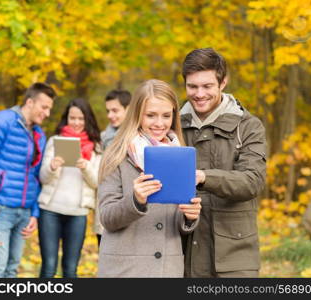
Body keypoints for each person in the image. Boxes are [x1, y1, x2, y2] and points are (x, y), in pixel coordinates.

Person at [97, 79, 201, 278]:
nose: (159, 123)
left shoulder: (180, 155)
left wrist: (190, 216)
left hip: (167, 269)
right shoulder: (116, 154)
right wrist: (135, 200)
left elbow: (175, 221)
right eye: (151, 115)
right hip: (124, 271)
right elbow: (107, 218)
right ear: (137, 114)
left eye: (166, 116)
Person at [180, 48, 267, 278]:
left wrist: (205, 177)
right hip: (184, 252)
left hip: (235, 256)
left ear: (223, 82)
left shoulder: (248, 126)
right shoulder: (172, 124)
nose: (199, 94)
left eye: (207, 86)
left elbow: (253, 181)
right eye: (192, 86)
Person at [0, 82, 56, 278]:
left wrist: (34, 213)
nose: (47, 113)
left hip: (24, 212)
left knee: (12, 269)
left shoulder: (38, 134)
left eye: (49, 109)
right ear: (29, 102)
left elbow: (36, 175)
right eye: (44, 107)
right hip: (0, 208)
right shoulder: (3, 120)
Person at [37, 98, 102, 278]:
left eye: (81, 119)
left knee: (70, 268)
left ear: (87, 120)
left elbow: (96, 182)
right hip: (50, 210)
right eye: (72, 118)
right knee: (49, 267)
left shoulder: (95, 147)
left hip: (77, 214)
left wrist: (86, 166)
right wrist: (52, 166)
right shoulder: (54, 141)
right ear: (66, 119)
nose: (76, 123)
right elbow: (42, 177)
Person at [96, 89, 132, 246]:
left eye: (115, 110)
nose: (110, 115)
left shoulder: (138, 138)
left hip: (131, 208)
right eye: (108, 111)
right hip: (108, 206)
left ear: (129, 109)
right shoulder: (104, 138)